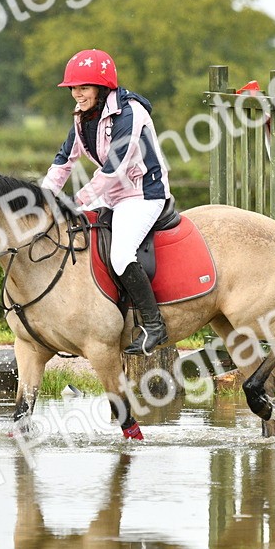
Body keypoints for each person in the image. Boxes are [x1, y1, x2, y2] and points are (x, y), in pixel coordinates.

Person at [41, 49, 171, 355]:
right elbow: (63, 162)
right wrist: (42, 199)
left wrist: (76, 200)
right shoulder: (81, 116)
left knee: (121, 254)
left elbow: (114, 168)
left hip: (143, 194)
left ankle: (154, 326)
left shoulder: (131, 113)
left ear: (102, 88)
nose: (76, 94)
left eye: (83, 88)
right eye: (73, 88)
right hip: (111, 195)